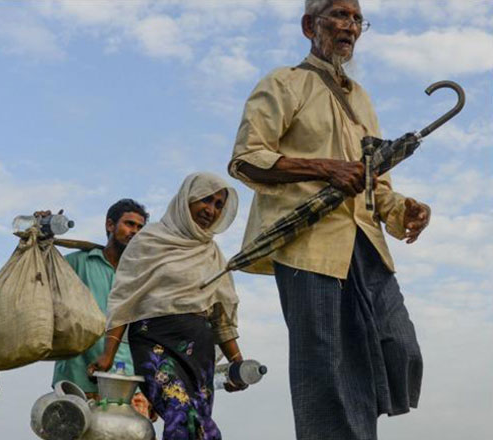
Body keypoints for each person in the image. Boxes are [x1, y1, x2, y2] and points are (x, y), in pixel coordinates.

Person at [228, 1, 427, 438]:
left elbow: (376, 182)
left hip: (366, 245)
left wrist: (404, 210)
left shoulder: (362, 99)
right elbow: (246, 158)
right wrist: (324, 168)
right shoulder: (283, 83)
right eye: (339, 15)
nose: (350, 26)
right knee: (325, 368)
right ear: (309, 25)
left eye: (356, 19)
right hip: (308, 247)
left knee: (399, 347)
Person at [89, 172, 247, 440]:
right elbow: (124, 300)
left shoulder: (212, 254)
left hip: (199, 351)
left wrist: (238, 364)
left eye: (219, 204)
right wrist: (108, 355)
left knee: (201, 426)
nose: (211, 210)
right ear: (187, 199)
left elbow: (221, 318)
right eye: (205, 199)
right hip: (154, 342)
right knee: (181, 414)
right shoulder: (149, 241)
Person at [44, 199, 154, 415]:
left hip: (128, 383)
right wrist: (41, 236)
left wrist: (152, 390)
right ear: (110, 225)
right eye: (129, 224)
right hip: (77, 380)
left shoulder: (142, 276)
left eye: (140, 228)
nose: (135, 232)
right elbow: (37, 279)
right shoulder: (78, 262)